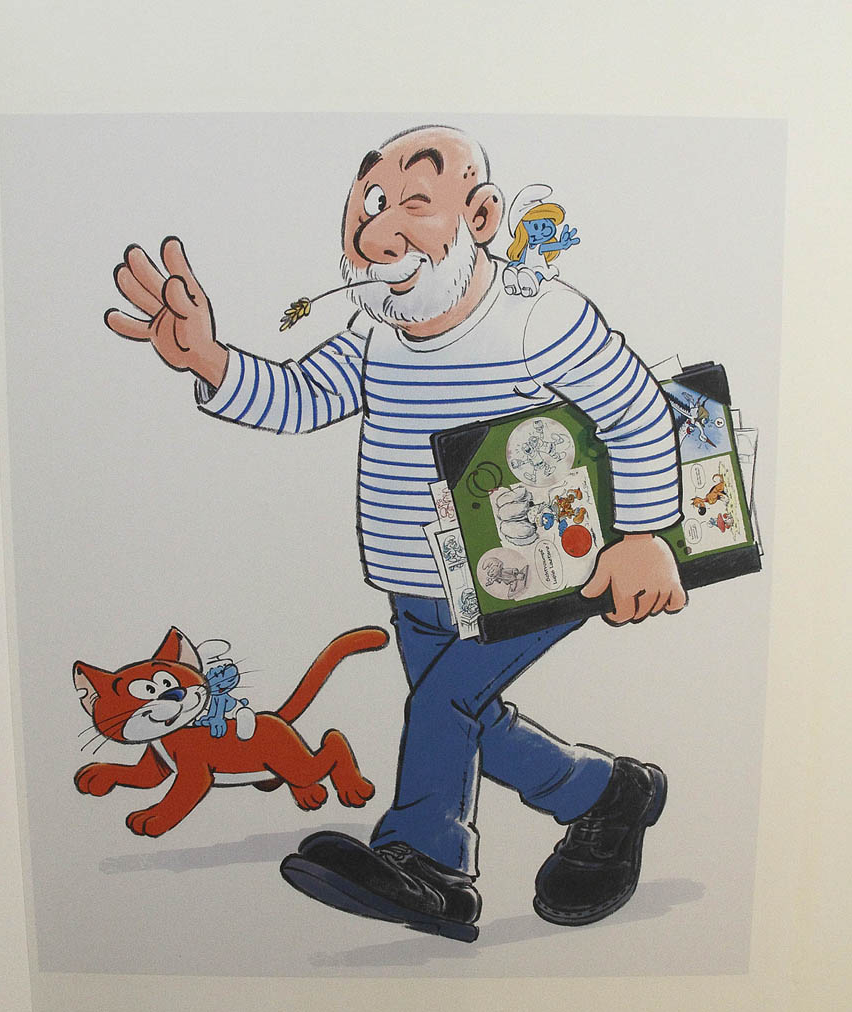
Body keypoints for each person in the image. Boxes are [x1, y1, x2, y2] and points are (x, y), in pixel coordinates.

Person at [106, 125, 687, 943]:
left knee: (445, 702)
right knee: (465, 717)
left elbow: (636, 410)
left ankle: (430, 865)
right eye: (368, 206)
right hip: (415, 580)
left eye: (414, 202)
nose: (377, 234)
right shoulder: (377, 329)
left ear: (480, 216)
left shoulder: (540, 319)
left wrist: (645, 536)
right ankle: (608, 793)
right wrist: (209, 360)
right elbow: (302, 397)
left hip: (538, 569)